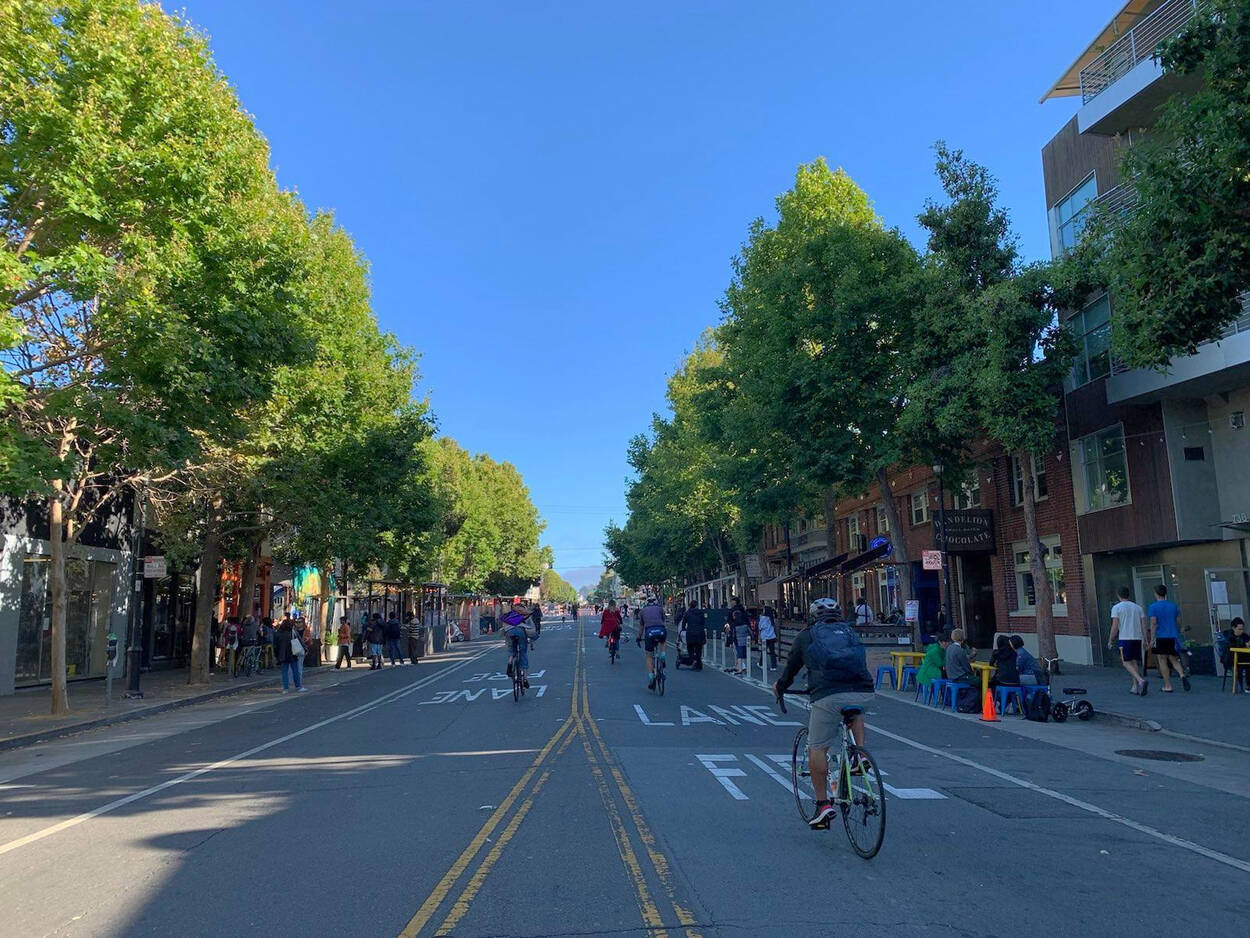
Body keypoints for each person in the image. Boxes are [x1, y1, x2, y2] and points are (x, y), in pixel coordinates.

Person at [773, 597, 874, 830]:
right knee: (855, 709)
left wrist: (781, 686)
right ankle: (861, 754)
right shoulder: (848, 633)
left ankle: (822, 805)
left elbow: (791, 669)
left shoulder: (807, 636)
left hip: (828, 695)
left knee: (817, 747)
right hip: (864, 691)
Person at [1108, 585, 1148, 695]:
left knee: (1125, 662)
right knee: (1133, 661)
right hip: (1137, 638)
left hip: (1125, 638)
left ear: (1118, 595)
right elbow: (1143, 625)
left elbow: (1115, 626)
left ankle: (1140, 680)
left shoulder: (1116, 608)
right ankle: (1135, 686)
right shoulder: (1138, 607)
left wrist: (1110, 639)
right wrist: (1145, 639)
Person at [1148, 584, 1189, 692]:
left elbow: (1153, 623)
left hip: (1160, 636)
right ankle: (1182, 675)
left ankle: (1167, 685)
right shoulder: (1173, 606)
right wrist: (1178, 630)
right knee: (1174, 659)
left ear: (1156, 594)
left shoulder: (1153, 607)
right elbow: (1178, 620)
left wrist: (1152, 639)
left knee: (1162, 660)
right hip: (1173, 635)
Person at [501, 602, 537, 687]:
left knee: (511, 650)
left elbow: (504, 627)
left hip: (510, 632)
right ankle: (524, 678)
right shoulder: (526, 615)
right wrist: (532, 643)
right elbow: (531, 631)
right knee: (523, 653)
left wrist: (507, 640)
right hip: (521, 633)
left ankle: (510, 664)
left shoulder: (509, 615)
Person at [635, 595, 667, 690]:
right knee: (662, 641)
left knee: (649, 656)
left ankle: (651, 678)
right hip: (661, 630)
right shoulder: (660, 609)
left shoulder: (643, 611)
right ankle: (663, 656)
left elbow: (641, 627)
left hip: (649, 632)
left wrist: (638, 638)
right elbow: (663, 620)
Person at [275, 615, 307, 692]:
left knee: (284, 672)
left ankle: (286, 688)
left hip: (282, 654)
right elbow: (300, 641)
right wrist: (305, 650)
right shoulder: (293, 632)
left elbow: (275, 645)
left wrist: (276, 655)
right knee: (295, 670)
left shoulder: (278, 633)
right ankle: (298, 686)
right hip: (292, 653)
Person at [1223, 617, 1249, 692]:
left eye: (1242, 629)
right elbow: (1231, 647)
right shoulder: (1228, 636)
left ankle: (1248, 686)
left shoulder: (1245, 636)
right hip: (1230, 659)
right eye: (1239, 629)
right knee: (1243, 667)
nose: (1241, 631)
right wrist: (1244, 644)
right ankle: (1241, 687)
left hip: (1244, 658)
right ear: (1233, 628)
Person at [682, 599, 706, 671]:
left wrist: (683, 629)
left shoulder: (687, 613)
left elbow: (683, 623)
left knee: (690, 648)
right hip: (699, 633)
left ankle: (693, 660)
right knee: (699, 649)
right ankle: (699, 663)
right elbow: (703, 622)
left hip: (691, 633)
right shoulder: (701, 613)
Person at [730, 600, 750, 674]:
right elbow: (750, 631)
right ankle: (745, 667)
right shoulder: (745, 624)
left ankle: (739, 668)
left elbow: (733, 634)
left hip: (738, 641)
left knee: (739, 654)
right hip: (745, 640)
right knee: (745, 654)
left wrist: (732, 641)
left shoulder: (734, 625)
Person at [758, 605, 778, 670]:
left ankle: (761, 664)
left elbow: (760, 627)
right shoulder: (772, 618)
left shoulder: (762, 618)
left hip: (764, 637)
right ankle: (773, 666)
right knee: (772, 652)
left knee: (763, 651)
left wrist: (759, 637)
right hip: (772, 636)